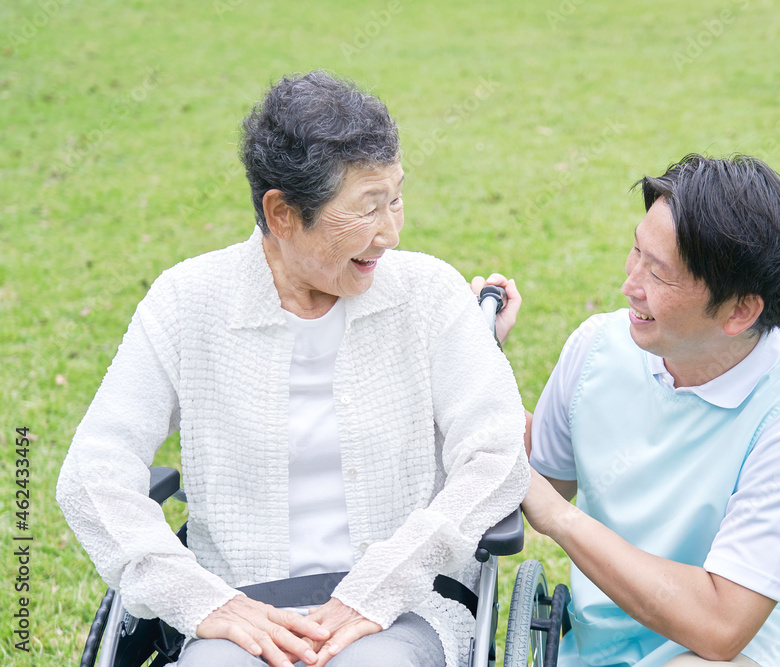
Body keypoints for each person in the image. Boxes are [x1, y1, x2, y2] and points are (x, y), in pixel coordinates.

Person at [57, 71, 529, 667]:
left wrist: (382, 584)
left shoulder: (428, 295)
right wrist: (203, 600)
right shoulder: (188, 301)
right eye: (367, 208)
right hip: (240, 612)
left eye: (396, 198)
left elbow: (496, 455)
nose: (390, 232)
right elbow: (93, 474)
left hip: (404, 611)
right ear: (281, 213)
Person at [475, 154, 780, 666]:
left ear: (740, 311)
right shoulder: (599, 347)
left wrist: (561, 521)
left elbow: (721, 627)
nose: (630, 284)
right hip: (610, 637)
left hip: (757, 644)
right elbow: (541, 480)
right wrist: (481, 357)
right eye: (635, 251)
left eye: (658, 273)